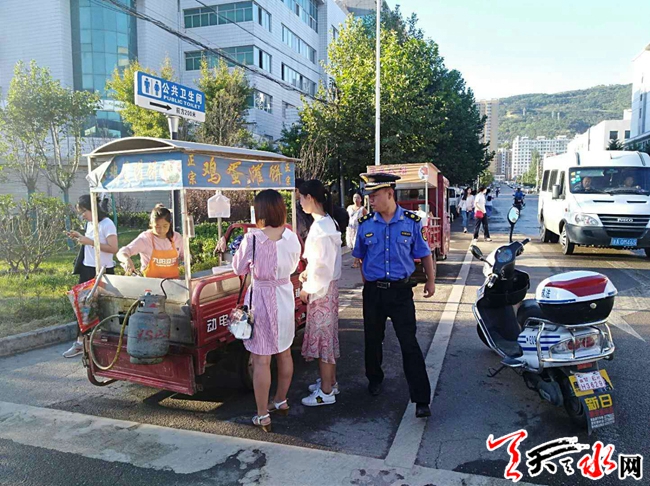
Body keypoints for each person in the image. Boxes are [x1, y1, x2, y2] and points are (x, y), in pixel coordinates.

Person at [352, 173, 436, 419]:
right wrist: (369, 284)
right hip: (374, 293)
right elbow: (360, 257)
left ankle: (421, 399)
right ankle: (374, 379)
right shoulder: (365, 223)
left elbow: (425, 253)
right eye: (369, 196)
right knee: (372, 340)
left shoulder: (411, 222)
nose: (370, 201)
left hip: (400, 293)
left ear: (390, 194)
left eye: (375, 196)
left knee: (409, 343)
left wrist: (430, 280)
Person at [232, 190, 302, 432]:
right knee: (285, 352)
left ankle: (262, 414)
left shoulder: (252, 238)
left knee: (262, 360)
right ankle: (281, 400)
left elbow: (238, 268)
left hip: (261, 299)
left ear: (259, 211)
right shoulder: (291, 236)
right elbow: (295, 263)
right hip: (285, 296)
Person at [298, 180, 343, 407]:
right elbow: (322, 262)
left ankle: (325, 392)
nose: (300, 202)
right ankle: (330, 383)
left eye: (301, 198)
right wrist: (309, 272)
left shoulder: (322, 228)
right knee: (328, 338)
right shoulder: (327, 222)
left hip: (322, 290)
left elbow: (322, 267)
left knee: (324, 340)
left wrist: (307, 287)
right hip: (328, 289)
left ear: (310, 198)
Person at [62, 195, 118, 358]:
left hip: (103, 270)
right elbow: (90, 242)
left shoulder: (107, 224)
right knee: (82, 306)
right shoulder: (90, 224)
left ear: (93, 209)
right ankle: (81, 342)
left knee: (103, 308)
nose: (83, 215)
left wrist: (90, 241)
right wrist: (80, 237)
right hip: (87, 268)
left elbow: (113, 248)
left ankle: (104, 343)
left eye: (84, 211)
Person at [117, 204, 183, 278]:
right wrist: (127, 260)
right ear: (151, 224)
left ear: (170, 224)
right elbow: (121, 253)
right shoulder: (145, 239)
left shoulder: (177, 238)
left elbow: (185, 256)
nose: (161, 230)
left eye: (165, 226)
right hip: (150, 282)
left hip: (174, 282)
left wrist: (187, 260)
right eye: (157, 226)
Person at [346, 193, 367, 268]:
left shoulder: (362, 209)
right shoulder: (349, 208)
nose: (356, 199)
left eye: (358, 197)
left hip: (358, 228)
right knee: (351, 244)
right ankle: (359, 258)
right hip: (350, 228)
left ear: (361, 199)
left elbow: (366, 219)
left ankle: (355, 262)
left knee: (356, 245)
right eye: (354, 197)